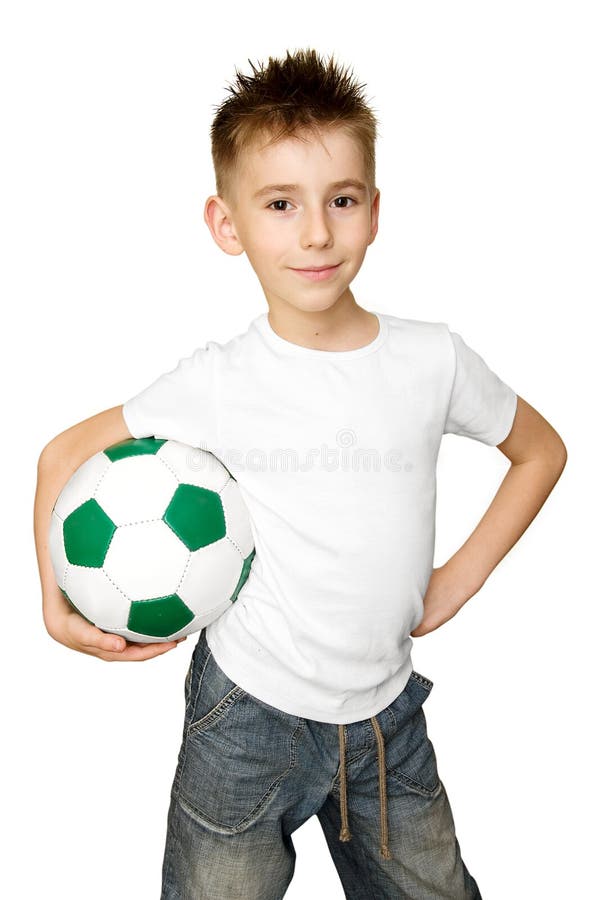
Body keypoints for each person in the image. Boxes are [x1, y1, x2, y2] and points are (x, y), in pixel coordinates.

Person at [34, 48, 567, 899]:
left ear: (374, 211)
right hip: (244, 721)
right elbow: (60, 456)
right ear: (228, 225)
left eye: (341, 200)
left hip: (388, 724)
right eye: (280, 205)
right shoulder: (218, 380)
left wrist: (456, 583)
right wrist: (55, 606)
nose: (316, 232)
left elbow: (541, 451)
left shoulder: (432, 360)